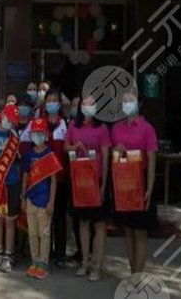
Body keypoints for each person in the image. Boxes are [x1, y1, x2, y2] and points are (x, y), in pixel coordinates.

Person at [111, 92, 158, 277]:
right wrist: (116, 151)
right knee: (128, 231)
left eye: (130, 100)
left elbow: (152, 160)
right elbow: (114, 157)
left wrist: (149, 189)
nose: (127, 103)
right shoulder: (116, 128)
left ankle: (138, 274)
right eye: (124, 101)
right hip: (123, 184)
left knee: (140, 231)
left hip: (141, 183)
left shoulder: (147, 129)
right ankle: (132, 273)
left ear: (139, 103)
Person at [64, 95, 111, 281]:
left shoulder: (102, 128)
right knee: (83, 222)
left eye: (91, 104)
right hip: (79, 181)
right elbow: (66, 147)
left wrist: (104, 184)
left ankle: (98, 265)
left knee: (99, 223)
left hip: (96, 180)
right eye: (84, 104)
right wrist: (74, 146)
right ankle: (85, 261)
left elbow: (106, 156)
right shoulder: (73, 126)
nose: (87, 107)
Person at [21, 118, 61, 280]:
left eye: (40, 133)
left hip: (44, 200)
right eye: (34, 133)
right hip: (30, 198)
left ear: (45, 135)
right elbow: (25, 176)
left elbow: (53, 181)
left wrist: (51, 202)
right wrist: (23, 196)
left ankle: (43, 263)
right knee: (32, 232)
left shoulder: (49, 155)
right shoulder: (29, 154)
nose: (37, 136)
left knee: (44, 233)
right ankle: (35, 260)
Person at [0, 104, 21, 273]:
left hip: (12, 182)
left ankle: (8, 256)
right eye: (9, 119)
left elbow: (18, 161)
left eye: (13, 121)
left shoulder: (14, 137)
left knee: (9, 221)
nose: (10, 123)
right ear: (2, 115)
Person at [42, 89, 70, 268]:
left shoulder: (65, 124)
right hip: (43, 177)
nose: (52, 103)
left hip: (60, 176)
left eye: (55, 100)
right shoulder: (39, 123)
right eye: (49, 100)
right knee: (44, 216)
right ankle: (46, 252)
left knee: (59, 216)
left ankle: (60, 253)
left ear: (59, 104)